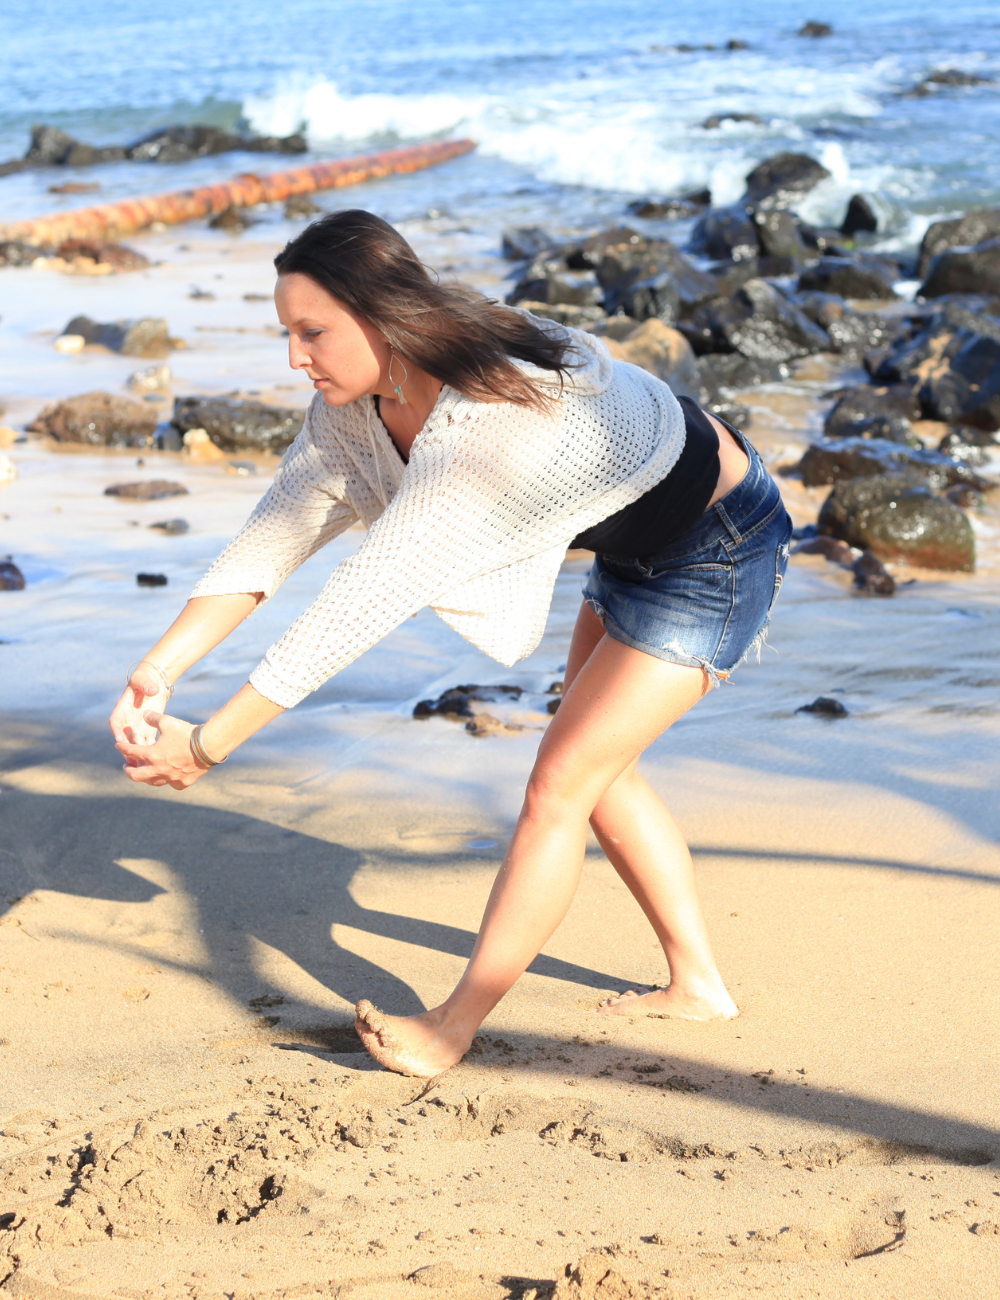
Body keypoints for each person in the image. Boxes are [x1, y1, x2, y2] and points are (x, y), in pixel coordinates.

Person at [110, 209, 792, 1079]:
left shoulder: (487, 424)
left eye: (312, 332)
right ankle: (698, 983)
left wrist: (206, 746)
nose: (295, 357)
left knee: (559, 782)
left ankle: (452, 1025)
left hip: (718, 546)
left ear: (380, 316)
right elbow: (270, 539)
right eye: (287, 333)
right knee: (594, 768)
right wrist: (158, 670)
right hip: (633, 544)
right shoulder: (358, 410)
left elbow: (359, 603)